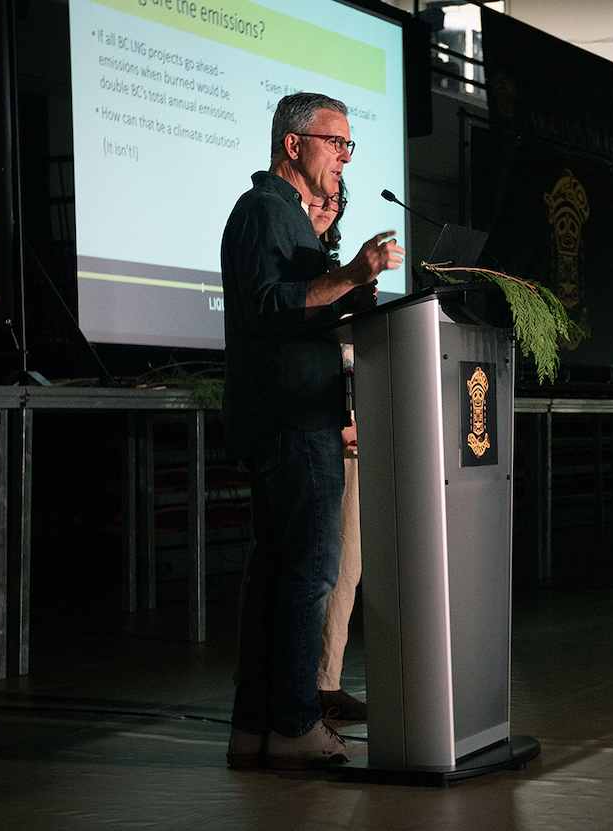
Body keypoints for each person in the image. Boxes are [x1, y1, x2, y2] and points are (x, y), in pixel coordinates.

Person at [222, 92, 402, 770]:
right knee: (307, 575)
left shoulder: (286, 218)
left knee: (278, 575)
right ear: (294, 144)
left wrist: (356, 290)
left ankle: (256, 727)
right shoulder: (267, 212)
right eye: (336, 142)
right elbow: (272, 307)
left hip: (291, 415)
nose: (345, 157)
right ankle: (297, 723)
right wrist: (351, 273)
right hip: (293, 420)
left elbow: (303, 315)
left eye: (350, 145)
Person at [306, 182, 368, 722]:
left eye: (335, 204)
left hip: (349, 431)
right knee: (311, 568)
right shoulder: (296, 262)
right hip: (312, 432)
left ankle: (327, 680)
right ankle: (295, 689)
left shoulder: (333, 266)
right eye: (321, 200)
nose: (328, 209)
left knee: (347, 565)